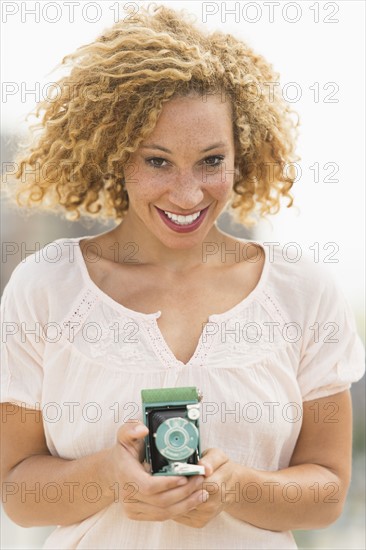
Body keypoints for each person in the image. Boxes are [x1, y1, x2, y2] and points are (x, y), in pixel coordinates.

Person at [0, 3, 364, 549]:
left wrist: (234, 488)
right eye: (158, 162)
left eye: (212, 161)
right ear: (114, 155)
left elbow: (329, 492)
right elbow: (18, 496)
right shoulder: (45, 287)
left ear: (243, 153)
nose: (189, 194)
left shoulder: (304, 293)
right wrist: (111, 479)